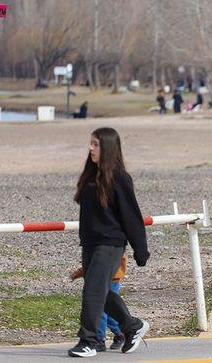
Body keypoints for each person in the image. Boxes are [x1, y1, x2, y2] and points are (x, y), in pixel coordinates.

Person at [69, 127, 150, 358]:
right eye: (90, 143)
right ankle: (132, 326)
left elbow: (132, 217)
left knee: (93, 292)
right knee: (99, 291)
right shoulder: (91, 176)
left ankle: (89, 340)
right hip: (90, 243)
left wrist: (140, 250)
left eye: (95, 144)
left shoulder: (121, 179)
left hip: (111, 243)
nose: (90, 148)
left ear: (108, 147)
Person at [70, 257, 127, 351]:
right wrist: (80, 272)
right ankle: (119, 334)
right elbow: (93, 260)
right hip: (100, 278)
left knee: (103, 311)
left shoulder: (115, 246)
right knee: (105, 311)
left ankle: (101, 339)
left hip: (110, 279)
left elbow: (100, 261)